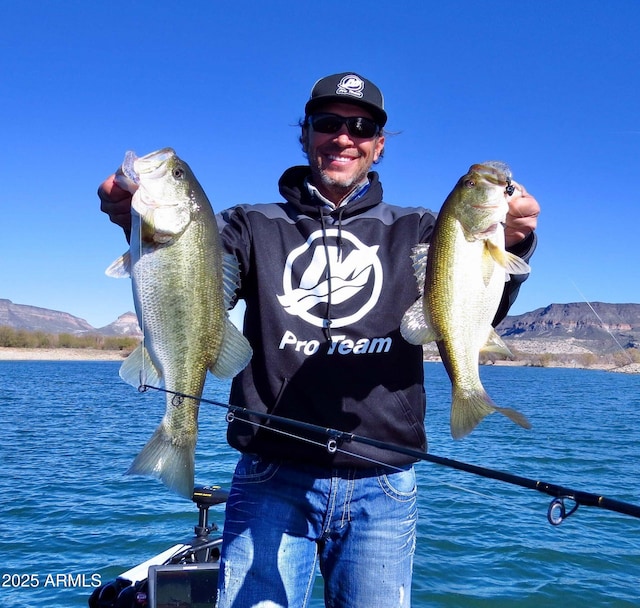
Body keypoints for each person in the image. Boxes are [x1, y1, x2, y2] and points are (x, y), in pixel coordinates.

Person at [98, 72, 540, 607]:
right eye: (328, 123)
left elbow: (467, 306)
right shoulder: (246, 223)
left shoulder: (424, 227)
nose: (344, 137)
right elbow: (188, 281)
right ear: (305, 134)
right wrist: (135, 221)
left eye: (362, 127)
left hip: (385, 478)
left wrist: (516, 242)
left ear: (378, 146)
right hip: (270, 473)